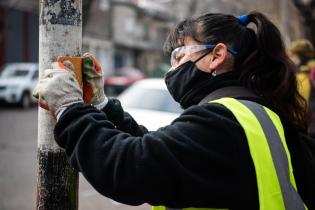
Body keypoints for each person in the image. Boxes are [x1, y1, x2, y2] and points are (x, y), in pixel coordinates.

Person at [33, 11, 315, 210]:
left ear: (217, 55)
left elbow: (129, 168)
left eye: (180, 55)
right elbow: (165, 155)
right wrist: (102, 107)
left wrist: (69, 109)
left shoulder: (222, 120)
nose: (173, 68)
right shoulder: (261, 114)